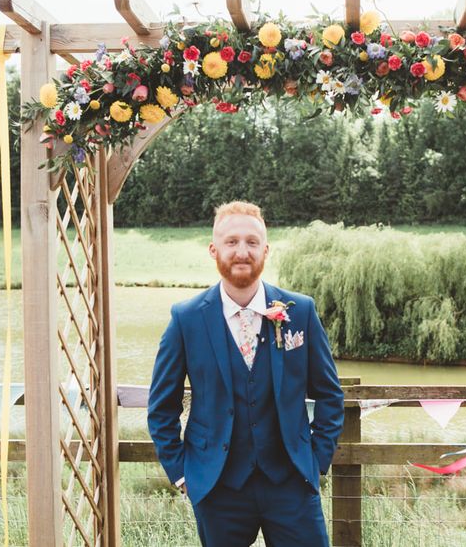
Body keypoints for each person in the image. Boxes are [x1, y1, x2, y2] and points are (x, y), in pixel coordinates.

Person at [147, 201, 344, 546]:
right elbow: (162, 408)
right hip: (217, 487)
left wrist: (317, 461)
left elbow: (330, 395)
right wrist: (182, 474)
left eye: (252, 242)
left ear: (266, 250)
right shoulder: (186, 319)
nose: (242, 251)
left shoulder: (301, 312)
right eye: (232, 242)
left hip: (292, 484)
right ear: (214, 249)